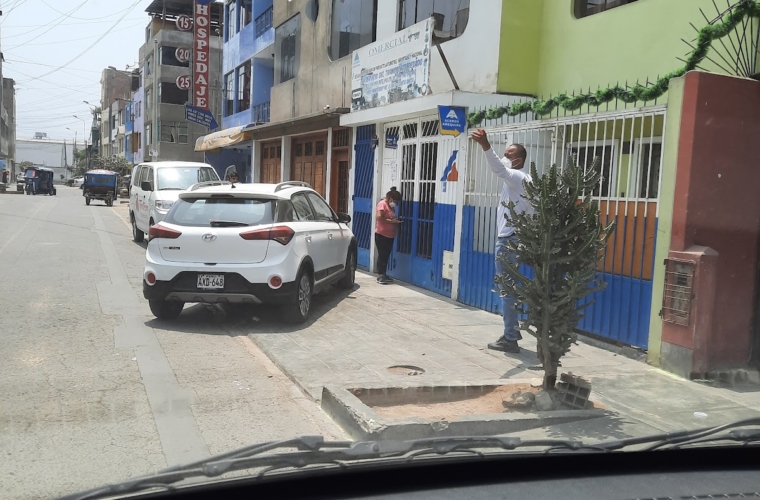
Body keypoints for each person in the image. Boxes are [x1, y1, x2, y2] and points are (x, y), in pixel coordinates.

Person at [470, 129, 533, 354]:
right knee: (509, 288)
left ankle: (510, 338)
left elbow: (498, 169)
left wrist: (486, 145)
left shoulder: (517, 177)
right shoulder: (526, 181)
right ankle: (512, 331)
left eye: (508, 155)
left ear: (519, 160)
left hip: (508, 240)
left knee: (506, 290)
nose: (505, 158)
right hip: (516, 238)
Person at [374, 187, 403, 285]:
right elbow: (379, 217)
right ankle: (380, 276)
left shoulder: (391, 207)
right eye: (395, 201)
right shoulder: (382, 204)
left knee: (386, 255)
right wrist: (391, 221)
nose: (395, 203)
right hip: (381, 235)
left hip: (390, 235)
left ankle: (384, 274)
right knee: (382, 255)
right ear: (390, 198)